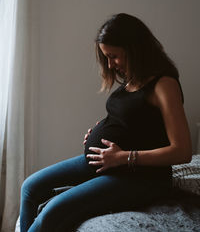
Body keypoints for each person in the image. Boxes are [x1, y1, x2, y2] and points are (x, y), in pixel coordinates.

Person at [20, 13, 192, 232]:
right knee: (30, 187)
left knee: (52, 211)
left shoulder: (164, 84)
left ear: (134, 49)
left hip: (141, 177)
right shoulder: (132, 77)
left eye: (114, 56)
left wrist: (123, 157)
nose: (110, 65)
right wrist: (103, 128)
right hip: (107, 162)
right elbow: (136, 117)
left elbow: (183, 151)